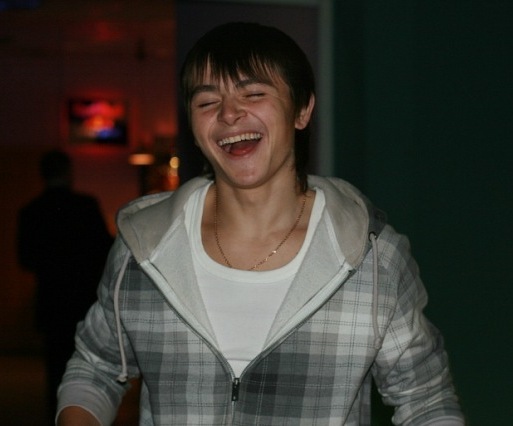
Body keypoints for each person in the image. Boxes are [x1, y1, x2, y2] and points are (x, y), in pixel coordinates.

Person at [57, 22, 464, 425]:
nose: (229, 113)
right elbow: (96, 367)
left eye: (253, 94)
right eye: (206, 102)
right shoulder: (145, 246)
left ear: (302, 110)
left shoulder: (371, 257)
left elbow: (425, 402)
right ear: (193, 128)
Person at [17, 149, 113, 420]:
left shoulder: (31, 211)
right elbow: (104, 249)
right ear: (68, 172)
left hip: (52, 299)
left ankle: (59, 416)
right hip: (83, 297)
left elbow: (25, 258)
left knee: (56, 365)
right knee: (90, 363)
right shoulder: (85, 206)